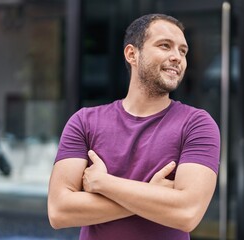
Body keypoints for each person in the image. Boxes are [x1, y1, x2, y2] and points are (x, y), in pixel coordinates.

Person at [47, 13, 220, 240]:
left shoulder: (197, 125)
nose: (177, 57)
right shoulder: (84, 122)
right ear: (132, 54)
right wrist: (153, 194)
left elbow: (187, 212)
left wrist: (104, 184)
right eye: (165, 46)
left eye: (183, 51)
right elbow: (59, 211)